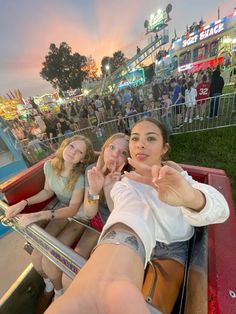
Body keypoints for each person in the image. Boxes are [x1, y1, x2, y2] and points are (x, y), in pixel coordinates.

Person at [46, 118, 229, 314]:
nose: (140, 144)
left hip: (171, 247)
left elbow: (221, 210)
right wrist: (105, 273)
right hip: (138, 243)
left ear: (164, 148)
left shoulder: (173, 172)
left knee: (154, 302)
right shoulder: (125, 183)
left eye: (150, 138)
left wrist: (192, 198)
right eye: (135, 139)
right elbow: (126, 216)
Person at [6, 135, 95, 299]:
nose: (73, 152)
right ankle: (49, 282)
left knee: (50, 261)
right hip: (61, 211)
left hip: (77, 215)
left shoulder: (80, 178)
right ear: (65, 145)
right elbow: (47, 191)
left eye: (79, 152)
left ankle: (59, 292)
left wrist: (38, 215)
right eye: (72, 146)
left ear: (83, 159)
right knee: (35, 256)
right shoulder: (49, 166)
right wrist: (23, 203)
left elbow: (72, 209)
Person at [61, 133, 130, 290]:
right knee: (69, 274)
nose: (115, 154)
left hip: (117, 230)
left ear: (127, 160)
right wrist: (94, 189)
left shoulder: (128, 177)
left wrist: (109, 188)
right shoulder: (91, 169)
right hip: (97, 224)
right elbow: (90, 213)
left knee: (97, 282)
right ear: (104, 148)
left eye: (123, 152)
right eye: (111, 147)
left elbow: (119, 221)